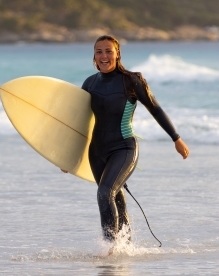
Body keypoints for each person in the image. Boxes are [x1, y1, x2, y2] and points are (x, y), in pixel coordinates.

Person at [63, 35, 189, 242]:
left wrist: (176, 138)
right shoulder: (89, 83)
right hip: (97, 152)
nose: (104, 56)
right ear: (94, 56)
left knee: (105, 193)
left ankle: (111, 247)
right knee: (115, 196)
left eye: (108, 51)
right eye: (99, 51)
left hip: (123, 148)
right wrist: (68, 156)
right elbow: (78, 122)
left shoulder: (132, 80)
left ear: (118, 53)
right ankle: (125, 245)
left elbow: (155, 109)